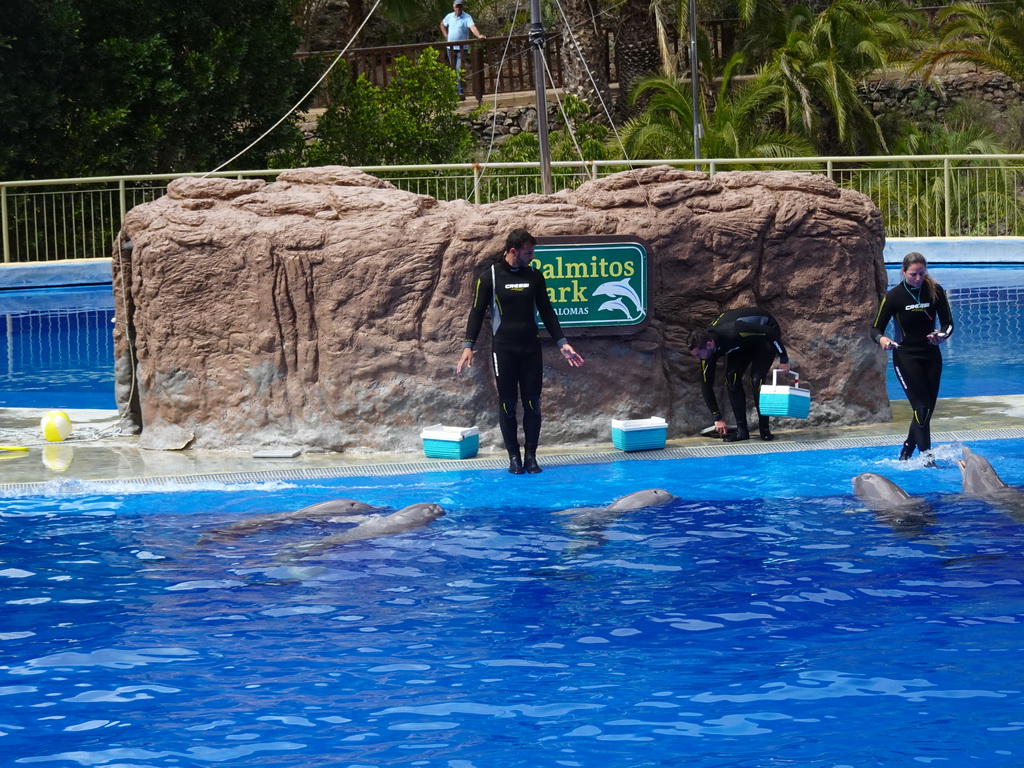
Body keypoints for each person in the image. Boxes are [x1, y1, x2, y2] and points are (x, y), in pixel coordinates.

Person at [457, 229, 584, 474]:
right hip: (503, 350)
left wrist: (562, 343)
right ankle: (514, 458)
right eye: (529, 252)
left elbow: (547, 311)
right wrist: (468, 346)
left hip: (530, 350)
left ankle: (531, 457)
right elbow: (476, 312)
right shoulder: (490, 277)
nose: (533, 256)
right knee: (507, 404)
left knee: (532, 403)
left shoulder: (535, 276)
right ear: (513, 251)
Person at [871, 252, 954, 462]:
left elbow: (948, 323)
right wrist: (882, 340)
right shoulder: (894, 297)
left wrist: (942, 335)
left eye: (921, 274)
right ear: (904, 272)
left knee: (926, 411)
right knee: (921, 408)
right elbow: (875, 329)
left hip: (931, 355)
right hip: (906, 356)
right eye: (913, 275)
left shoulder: (934, 291)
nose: (918, 279)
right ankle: (927, 458)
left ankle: (907, 449)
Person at [687, 307, 791, 443]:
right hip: (742, 342)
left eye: (699, 355)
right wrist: (717, 417)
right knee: (731, 378)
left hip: (765, 332)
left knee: (756, 380)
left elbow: (769, 332)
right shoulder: (707, 352)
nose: (698, 359)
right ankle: (742, 431)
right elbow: (706, 385)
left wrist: (784, 358)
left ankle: (765, 429)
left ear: (709, 345)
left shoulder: (733, 331)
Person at [439, 2, 485, 96]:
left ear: (462, 7)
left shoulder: (467, 17)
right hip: (450, 48)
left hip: (462, 48)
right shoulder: (449, 16)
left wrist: (478, 35)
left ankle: (459, 92)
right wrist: (445, 35)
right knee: (452, 69)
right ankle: (454, 91)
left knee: (459, 69)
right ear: (453, 7)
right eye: (456, 6)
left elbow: (472, 27)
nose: (458, 9)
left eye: (460, 6)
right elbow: (442, 24)